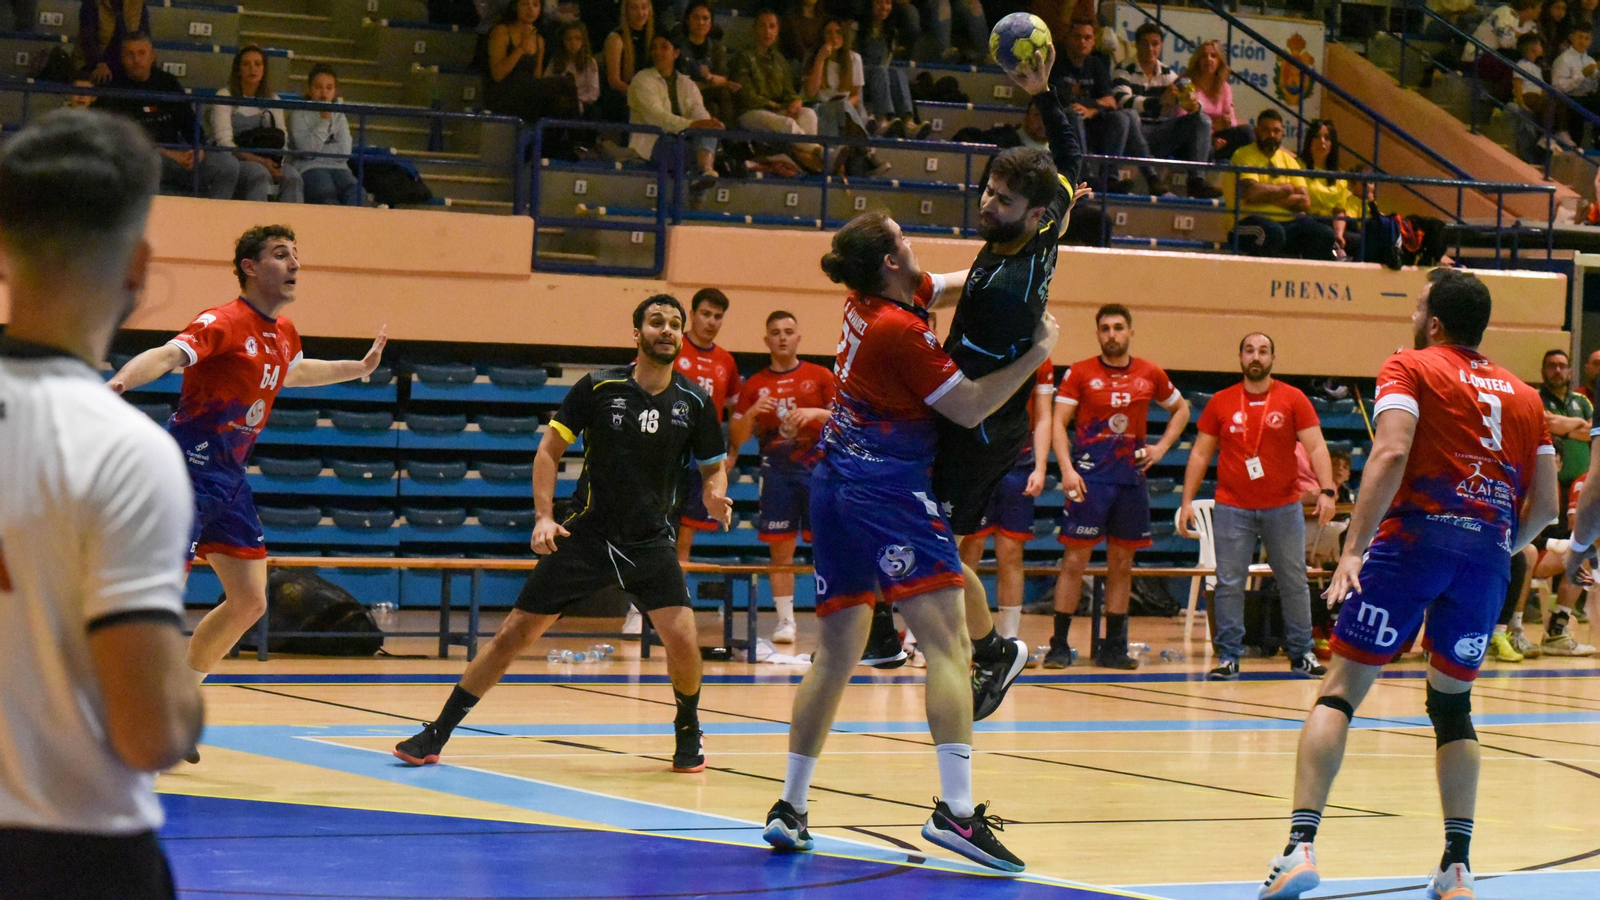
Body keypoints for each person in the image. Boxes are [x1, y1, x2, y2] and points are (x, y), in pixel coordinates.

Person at [760, 210, 1058, 871]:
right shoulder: (899, 331)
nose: (914, 243)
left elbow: (945, 285)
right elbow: (972, 405)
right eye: (903, 237)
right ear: (892, 260)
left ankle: (790, 806)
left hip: (834, 482)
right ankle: (955, 816)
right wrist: (1038, 353)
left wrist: (1003, 263)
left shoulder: (871, 298)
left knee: (835, 654)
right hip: (887, 491)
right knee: (946, 644)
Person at [1257, 268, 1559, 900]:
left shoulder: (1410, 366)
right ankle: (1456, 866)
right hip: (1484, 559)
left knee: (1338, 693)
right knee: (1453, 709)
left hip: (1413, 543)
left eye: (1419, 305)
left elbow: (1391, 453)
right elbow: (1547, 509)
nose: (1412, 314)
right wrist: (1495, 548)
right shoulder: (1527, 396)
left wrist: (1354, 548)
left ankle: (1299, 848)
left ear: (1436, 323)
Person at [0, 108, 205, 900]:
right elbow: (149, 729)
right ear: (138, 266)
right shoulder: (123, 449)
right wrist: (185, 697)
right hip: (74, 853)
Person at [395, 296, 731, 773]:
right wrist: (543, 517)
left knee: (683, 641)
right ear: (636, 334)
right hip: (587, 535)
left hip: (650, 541)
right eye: (657, 322)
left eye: (675, 324)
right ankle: (438, 730)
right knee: (513, 634)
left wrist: (716, 495)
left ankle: (688, 731)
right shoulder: (597, 387)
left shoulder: (694, 401)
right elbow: (549, 452)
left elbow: (714, 468)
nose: (667, 330)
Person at [106, 226, 387, 737]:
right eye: (281, 255)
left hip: (229, 482)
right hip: (185, 475)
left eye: (297, 254)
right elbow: (168, 355)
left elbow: (294, 373)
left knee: (251, 601)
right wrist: (121, 382)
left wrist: (359, 367)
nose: (295, 263)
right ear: (250, 267)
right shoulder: (223, 322)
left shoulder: (283, 333)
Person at [923, 44, 1089, 712]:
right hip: (984, 412)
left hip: (982, 423)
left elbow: (962, 388)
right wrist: (1045, 90)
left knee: (933, 542)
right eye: (990, 190)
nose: (988, 203)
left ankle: (994, 651)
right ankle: (938, 635)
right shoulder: (1046, 226)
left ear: (1036, 214)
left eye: (1003, 199)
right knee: (927, 539)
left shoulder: (1008, 294)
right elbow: (1074, 159)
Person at [1178, 332, 1336, 681]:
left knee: (1293, 580)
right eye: (1250, 350)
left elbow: (1318, 448)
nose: (1256, 356)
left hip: (1283, 505)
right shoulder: (1221, 401)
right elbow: (1201, 453)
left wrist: (1327, 490)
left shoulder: (1293, 399)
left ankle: (1302, 653)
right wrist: (1186, 501)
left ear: (1272, 359)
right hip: (1233, 507)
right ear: (1240, 357)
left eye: (1263, 351)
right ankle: (1229, 656)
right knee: (1229, 581)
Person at [1046, 303, 1191, 669]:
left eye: (1118, 327)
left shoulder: (1149, 372)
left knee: (1122, 565)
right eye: (1106, 328)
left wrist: (1160, 448)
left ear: (1130, 332)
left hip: (1130, 480)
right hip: (1089, 478)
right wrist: (1066, 469)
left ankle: (1114, 647)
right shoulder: (1079, 373)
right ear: (1098, 334)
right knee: (1074, 561)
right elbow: (1057, 422)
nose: (1112, 334)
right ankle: (1059, 645)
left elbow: (1182, 409)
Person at [728, 311, 837, 645]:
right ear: (767, 340)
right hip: (777, 474)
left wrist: (817, 413)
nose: (783, 337)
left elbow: (845, 421)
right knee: (780, 552)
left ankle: (832, 618)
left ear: (799, 338)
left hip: (819, 471)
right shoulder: (755, 385)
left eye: (789, 331)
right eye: (775, 332)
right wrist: (752, 412)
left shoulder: (820, 376)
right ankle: (786, 621)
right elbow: (736, 437)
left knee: (829, 549)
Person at [956, 361, 1053, 646]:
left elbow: (1045, 415)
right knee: (968, 551)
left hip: (1019, 464)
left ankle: (1010, 639)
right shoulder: (984, 347)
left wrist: (1041, 467)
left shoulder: (1040, 358)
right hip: (980, 461)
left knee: (1011, 553)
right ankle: (961, 636)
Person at [94, 34, 241, 200]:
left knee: (228, 165)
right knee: (152, 160)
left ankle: (213, 221)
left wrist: (197, 148)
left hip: (178, 158)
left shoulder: (167, 83)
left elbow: (190, 123)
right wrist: (164, 152)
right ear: (122, 58)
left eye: (142, 53)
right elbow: (113, 140)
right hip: (138, 161)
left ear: (152, 56)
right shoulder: (113, 90)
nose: (136, 59)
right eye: (130, 54)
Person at [1112, 23, 1217, 198]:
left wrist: (1193, 104)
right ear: (1136, 45)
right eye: (1145, 43)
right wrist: (1159, 102)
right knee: (1130, 116)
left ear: (1161, 46)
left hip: (1160, 134)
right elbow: (1123, 101)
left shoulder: (1169, 74)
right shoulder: (1123, 70)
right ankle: (1152, 178)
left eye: (1155, 44)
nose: (1150, 49)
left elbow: (1190, 97)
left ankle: (1197, 181)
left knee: (1202, 120)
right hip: (1134, 135)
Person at [1223, 109, 1337, 260]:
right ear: (1256, 131)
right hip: (1245, 222)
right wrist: (1286, 189)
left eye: (1276, 131)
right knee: (1273, 233)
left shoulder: (1289, 160)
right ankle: (1259, 281)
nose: (1271, 135)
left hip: (1285, 222)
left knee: (1324, 234)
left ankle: (1303, 280)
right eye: (1266, 130)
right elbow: (1252, 193)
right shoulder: (1243, 155)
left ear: (1282, 132)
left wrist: (1267, 196)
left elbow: (1304, 202)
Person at [1054, 17, 1151, 192]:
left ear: (1093, 42)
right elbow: (1061, 98)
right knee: (1073, 112)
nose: (1082, 42)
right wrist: (1093, 105)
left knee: (1122, 117)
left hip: (1094, 125)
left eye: (1087, 38)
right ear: (1068, 38)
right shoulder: (1057, 62)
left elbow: (1111, 102)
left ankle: (1110, 178)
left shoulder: (1096, 64)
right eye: (1077, 36)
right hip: (1066, 124)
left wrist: (1091, 110)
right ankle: (1085, 175)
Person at [731, 9, 824, 172]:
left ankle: (802, 160)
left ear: (777, 31)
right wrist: (775, 106)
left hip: (776, 112)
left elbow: (789, 91)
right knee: (787, 123)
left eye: (772, 27)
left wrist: (796, 100)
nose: (767, 31)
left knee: (808, 114)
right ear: (754, 29)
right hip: (751, 112)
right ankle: (820, 153)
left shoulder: (780, 60)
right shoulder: (743, 57)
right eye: (763, 26)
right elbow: (746, 95)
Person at [210, 46, 304, 204]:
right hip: (234, 159)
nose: (252, 68)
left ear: (264, 70)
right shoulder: (225, 96)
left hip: (267, 159)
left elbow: (282, 137)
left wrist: (277, 165)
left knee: (293, 177)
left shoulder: (273, 99)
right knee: (259, 174)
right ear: (238, 70)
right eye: (246, 64)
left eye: (257, 64)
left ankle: (289, 226)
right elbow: (225, 143)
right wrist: (261, 162)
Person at [628, 34, 721, 180]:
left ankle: (705, 171)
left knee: (709, 130)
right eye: (654, 48)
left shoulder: (687, 84)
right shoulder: (642, 80)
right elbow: (657, 117)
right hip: (652, 141)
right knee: (689, 151)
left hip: (682, 138)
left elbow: (699, 112)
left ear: (676, 53)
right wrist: (692, 124)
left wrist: (707, 123)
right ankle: (702, 177)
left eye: (664, 47)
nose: (657, 52)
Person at [290, 65, 365, 206]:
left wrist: (316, 151)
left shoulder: (339, 115)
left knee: (357, 193)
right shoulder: (299, 114)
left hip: (340, 168)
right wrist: (324, 121)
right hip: (310, 167)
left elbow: (344, 151)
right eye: (318, 87)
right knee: (326, 193)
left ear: (335, 91)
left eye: (329, 88)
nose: (323, 91)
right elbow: (306, 151)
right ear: (309, 90)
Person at [1299, 119, 1371, 260]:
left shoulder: (1339, 175)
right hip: (1308, 221)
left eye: (1327, 138)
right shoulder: (1296, 166)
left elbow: (1339, 211)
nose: (1322, 142)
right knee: (1325, 235)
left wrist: (1338, 233)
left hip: (1332, 224)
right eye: (1317, 137)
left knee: (1364, 239)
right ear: (1309, 141)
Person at [857, 0, 929, 138]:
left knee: (896, 72)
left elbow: (886, 62)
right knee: (880, 71)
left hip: (879, 76)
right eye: (879, 2)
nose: (884, 7)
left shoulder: (891, 32)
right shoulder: (857, 28)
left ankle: (908, 122)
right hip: (860, 77)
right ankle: (882, 120)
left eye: (888, 3)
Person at [1538, 348, 1593, 508]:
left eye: (1562, 366)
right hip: (1548, 484)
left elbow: (1593, 432)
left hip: (1582, 485)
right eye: (1552, 366)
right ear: (1543, 371)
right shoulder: (1534, 397)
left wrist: (1563, 429)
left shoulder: (1582, 400)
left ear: (1570, 371)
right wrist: (1579, 422)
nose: (1557, 370)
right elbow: (1548, 424)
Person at [1187, 38, 1253, 163]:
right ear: (1198, 60)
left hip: (1218, 136)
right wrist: (1211, 135)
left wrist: (1227, 123)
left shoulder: (1225, 87)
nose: (1209, 59)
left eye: (1213, 56)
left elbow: (1231, 120)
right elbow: (1180, 117)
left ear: (1219, 61)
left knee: (1247, 132)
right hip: (1193, 137)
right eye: (1204, 56)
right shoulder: (1187, 83)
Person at [675, 2, 739, 127]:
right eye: (696, 18)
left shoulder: (716, 47)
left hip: (709, 94)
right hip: (684, 94)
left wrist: (711, 79)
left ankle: (728, 139)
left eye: (705, 18)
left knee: (719, 101)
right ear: (688, 20)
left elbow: (723, 78)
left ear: (711, 22)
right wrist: (711, 81)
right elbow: (678, 81)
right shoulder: (677, 45)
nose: (701, 22)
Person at [1466, 0, 1542, 102]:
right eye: (1539, 7)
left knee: (1527, 67)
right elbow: (1506, 42)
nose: (1540, 10)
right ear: (1529, 7)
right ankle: (1502, 105)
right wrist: (1522, 37)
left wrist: (1517, 35)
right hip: (1477, 55)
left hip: (1499, 54)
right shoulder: (1504, 12)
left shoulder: (1531, 24)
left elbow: (1531, 48)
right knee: (1511, 69)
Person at [601, 0, 653, 122]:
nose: (640, 13)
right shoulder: (616, 38)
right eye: (634, 8)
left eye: (644, 7)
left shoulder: (653, 36)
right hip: (622, 97)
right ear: (626, 11)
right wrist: (641, 95)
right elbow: (614, 82)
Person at [79, 0, 149, 84]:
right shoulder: (92, 3)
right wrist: (98, 63)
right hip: (95, 63)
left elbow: (145, 39)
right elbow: (87, 40)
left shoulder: (138, 4)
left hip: (129, 63)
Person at [1552, 23, 1600, 145]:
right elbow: (1558, 87)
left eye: (1587, 38)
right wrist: (1582, 75)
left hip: (1588, 98)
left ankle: (1597, 140)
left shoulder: (1590, 60)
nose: (1583, 41)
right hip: (1570, 99)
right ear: (1571, 37)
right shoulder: (1564, 59)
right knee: (1577, 113)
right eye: (1580, 37)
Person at [547, 21, 602, 116]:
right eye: (568, 39)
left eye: (577, 39)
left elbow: (593, 92)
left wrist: (576, 101)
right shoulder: (555, 61)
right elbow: (547, 82)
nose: (573, 43)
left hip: (582, 104)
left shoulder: (589, 62)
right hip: (560, 103)